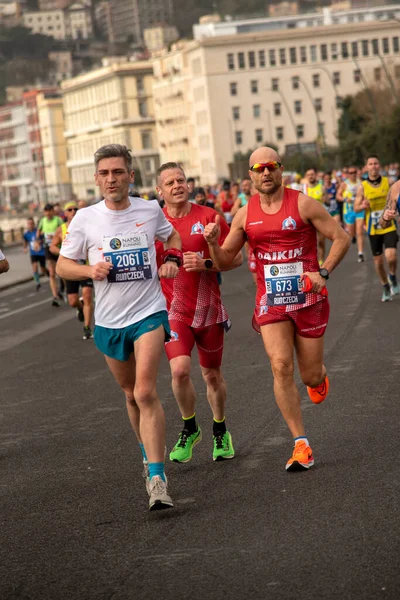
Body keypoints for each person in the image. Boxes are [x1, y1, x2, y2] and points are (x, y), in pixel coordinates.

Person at [203, 147, 350, 472]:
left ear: (280, 169)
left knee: (309, 374)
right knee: (281, 366)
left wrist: (322, 272)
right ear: (251, 175)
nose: (265, 173)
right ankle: (301, 444)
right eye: (258, 168)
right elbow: (225, 261)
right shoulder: (244, 213)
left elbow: (341, 237)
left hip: (308, 298)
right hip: (270, 302)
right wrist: (213, 244)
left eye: (271, 166)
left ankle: (318, 377)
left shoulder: (303, 203)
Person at [56, 143, 182, 511]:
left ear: (131, 175)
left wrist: (172, 259)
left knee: (145, 392)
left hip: (149, 313)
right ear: (96, 179)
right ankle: (147, 452)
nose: (111, 179)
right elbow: (64, 265)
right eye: (105, 173)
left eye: (118, 172)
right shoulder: (84, 219)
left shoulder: (149, 209)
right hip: (109, 322)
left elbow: (170, 237)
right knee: (129, 395)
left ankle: (157, 479)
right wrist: (87, 271)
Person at [155, 162, 242, 463]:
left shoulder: (209, 217)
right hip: (173, 312)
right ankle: (190, 427)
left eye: (181, 180)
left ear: (189, 185)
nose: (177, 185)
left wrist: (207, 261)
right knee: (179, 371)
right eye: (170, 183)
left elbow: (236, 259)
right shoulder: (154, 224)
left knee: (212, 376)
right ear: (160, 191)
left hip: (208, 310)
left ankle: (220, 429)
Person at [355, 155, 400, 302]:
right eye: (370, 164)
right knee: (378, 261)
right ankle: (385, 285)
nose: (373, 166)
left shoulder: (389, 182)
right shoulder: (363, 187)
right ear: (366, 167)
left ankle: (392, 276)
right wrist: (362, 206)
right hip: (373, 228)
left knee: (391, 256)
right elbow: (355, 208)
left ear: (379, 166)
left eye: (376, 163)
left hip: (389, 226)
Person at [50, 201, 95, 340]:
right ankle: (80, 308)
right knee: (72, 301)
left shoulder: (87, 227)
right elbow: (52, 246)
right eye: (70, 209)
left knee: (87, 295)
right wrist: (63, 253)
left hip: (86, 267)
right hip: (71, 269)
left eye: (76, 209)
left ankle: (87, 328)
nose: (73, 211)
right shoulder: (61, 229)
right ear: (65, 213)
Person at [37, 203, 64, 306]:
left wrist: (57, 236)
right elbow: (38, 232)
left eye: (49, 211)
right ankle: (55, 296)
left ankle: (63, 289)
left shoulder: (58, 220)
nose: (48, 213)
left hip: (59, 249)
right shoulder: (42, 221)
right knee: (52, 273)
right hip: (48, 249)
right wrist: (38, 240)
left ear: (53, 211)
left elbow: (64, 231)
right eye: (46, 211)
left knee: (61, 272)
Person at [337, 167, 364, 263]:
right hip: (349, 211)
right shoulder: (344, 184)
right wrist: (345, 199)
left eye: (354, 172)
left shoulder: (361, 182)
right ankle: (352, 237)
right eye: (350, 172)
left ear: (357, 173)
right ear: (347, 174)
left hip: (359, 209)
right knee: (352, 232)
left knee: (360, 231)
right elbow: (338, 196)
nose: (353, 174)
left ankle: (360, 253)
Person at [304, 168, 326, 264]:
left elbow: (327, 202)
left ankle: (321, 261)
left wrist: (325, 199)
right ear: (306, 176)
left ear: (315, 175)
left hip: (320, 217)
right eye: (308, 174)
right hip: (307, 219)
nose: (310, 176)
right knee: (309, 242)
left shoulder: (321, 187)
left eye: (312, 174)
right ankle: (312, 261)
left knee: (321, 241)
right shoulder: (304, 188)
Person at [23, 217, 47, 291]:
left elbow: (44, 239)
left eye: (32, 223)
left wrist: (40, 242)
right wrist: (25, 248)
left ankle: (47, 272)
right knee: (35, 266)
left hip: (41, 252)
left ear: (34, 224)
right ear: (27, 225)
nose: (30, 225)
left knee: (43, 269)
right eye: (29, 224)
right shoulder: (26, 234)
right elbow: (25, 241)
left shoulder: (38, 231)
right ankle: (37, 282)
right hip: (33, 253)